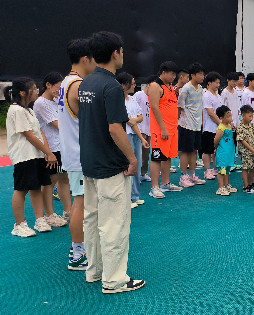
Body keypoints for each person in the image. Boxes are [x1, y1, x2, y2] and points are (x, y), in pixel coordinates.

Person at [78, 31, 144, 293]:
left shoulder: (86, 83)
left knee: (93, 220)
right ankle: (115, 280)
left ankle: (94, 271)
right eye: (122, 50)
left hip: (91, 163)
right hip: (110, 165)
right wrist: (132, 158)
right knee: (114, 223)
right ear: (116, 52)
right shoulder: (111, 86)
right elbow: (115, 129)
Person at [57, 37, 96, 269]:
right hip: (79, 154)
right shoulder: (78, 85)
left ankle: (79, 247)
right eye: (94, 58)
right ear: (85, 59)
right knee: (80, 201)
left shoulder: (66, 82)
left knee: (82, 200)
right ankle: (77, 253)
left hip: (74, 153)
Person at [5, 77, 58, 237]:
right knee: (21, 189)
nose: (37, 91)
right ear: (22, 93)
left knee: (36, 187)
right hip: (24, 156)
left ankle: (39, 219)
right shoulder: (16, 110)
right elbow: (29, 135)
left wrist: (46, 152)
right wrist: (48, 152)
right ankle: (19, 224)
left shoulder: (28, 110)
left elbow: (38, 133)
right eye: (34, 89)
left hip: (35, 155)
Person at [33, 72, 71, 223]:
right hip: (51, 147)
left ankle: (67, 211)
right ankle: (49, 215)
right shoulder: (41, 103)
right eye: (57, 87)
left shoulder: (56, 101)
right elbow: (58, 125)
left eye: (62, 88)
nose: (59, 91)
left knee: (64, 179)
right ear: (47, 85)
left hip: (61, 146)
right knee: (50, 182)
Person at [148, 61, 183, 198]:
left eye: (175, 74)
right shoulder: (155, 86)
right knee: (157, 158)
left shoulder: (169, 87)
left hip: (172, 129)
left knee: (167, 157)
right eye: (171, 73)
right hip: (160, 130)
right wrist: (162, 128)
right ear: (163, 72)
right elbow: (154, 107)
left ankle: (166, 184)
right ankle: (154, 187)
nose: (173, 76)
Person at [117, 72, 149, 209]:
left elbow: (138, 118)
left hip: (135, 135)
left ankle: (135, 196)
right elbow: (128, 121)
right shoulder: (117, 100)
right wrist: (133, 121)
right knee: (128, 165)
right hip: (125, 136)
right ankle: (126, 198)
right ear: (124, 84)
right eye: (133, 83)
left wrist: (141, 137)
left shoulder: (132, 99)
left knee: (137, 163)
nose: (134, 86)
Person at [177, 63, 206, 188]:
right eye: (200, 74)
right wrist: (179, 123)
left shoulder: (200, 89)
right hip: (186, 125)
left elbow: (199, 107)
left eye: (203, 74)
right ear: (192, 75)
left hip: (196, 125)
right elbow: (179, 107)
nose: (202, 77)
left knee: (194, 151)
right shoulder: (186, 88)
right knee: (185, 151)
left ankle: (192, 175)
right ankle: (183, 177)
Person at [133, 75, 157, 182]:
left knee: (146, 154)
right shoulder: (139, 95)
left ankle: (143, 173)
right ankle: (135, 174)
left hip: (149, 129)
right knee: (138, 153)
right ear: (148, 85)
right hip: (140, 128)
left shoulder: (154, 97)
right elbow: (133, 109)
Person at [202, 71, 224, 180]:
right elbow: (210, 113)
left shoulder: (218, 96)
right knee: (207, 150)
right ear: (209, 83)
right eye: (216, 83)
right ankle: (207, 170)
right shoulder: (206, 95)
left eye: (219, 83)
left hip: (218, 128)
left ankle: (216, 168)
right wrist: (220, 123)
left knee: (216, 150)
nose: (218, 85)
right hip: (209, 128)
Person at [214, 105, 238, 196]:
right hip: (223, 153)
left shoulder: (229, 126)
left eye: (231, 115)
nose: (230, 118)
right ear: (221, 118)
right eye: (228, 116)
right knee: (222, 170)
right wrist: (216, 148)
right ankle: (220, 188)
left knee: (227, 169)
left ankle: (226, 185)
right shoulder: (221, 128)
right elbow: (216, 140)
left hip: (229, 152)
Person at [237, 105, 254, 193]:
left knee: (253, 167)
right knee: (246, 168)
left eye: (252, 116)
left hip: (253, 151)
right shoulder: (240, 127)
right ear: (243, 115)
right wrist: (251, 149)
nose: (251, 118)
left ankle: (250, 184)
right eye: (249, 116)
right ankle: (246, 186)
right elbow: (242, 140)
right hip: (246, 152)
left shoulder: (252, 125)